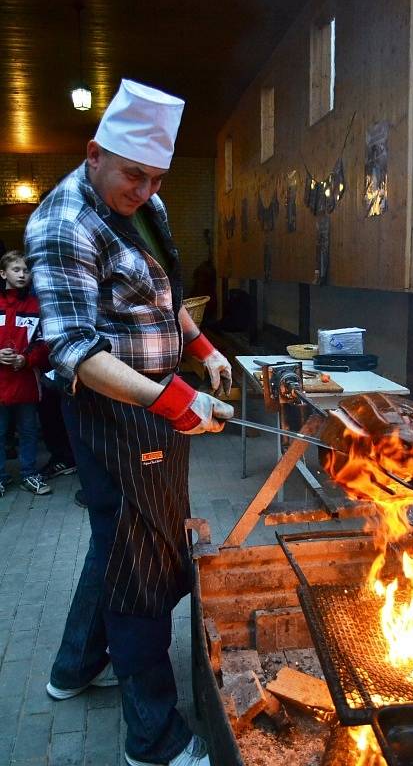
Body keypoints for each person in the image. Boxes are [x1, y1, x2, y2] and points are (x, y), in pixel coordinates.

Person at [25, 79, 234, 766]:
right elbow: (75, 351)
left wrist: (202, 351)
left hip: (157, 403)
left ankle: (74, 666)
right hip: (114, 415)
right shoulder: (63, 224)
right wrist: (176, 402)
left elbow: (164, 298)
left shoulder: (149, 208)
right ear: (94, 153)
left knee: (117, 540)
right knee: (139, 565)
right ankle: (153, 738)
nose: (143, 190)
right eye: (133, 175)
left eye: (155, 179)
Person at [0, 251, 52, 496]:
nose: (22, 275)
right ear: (3, 273)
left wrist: (26, 359)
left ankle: (29, 474)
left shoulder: (36, 306)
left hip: (26, 381)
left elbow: (44, 343)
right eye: (16, 270)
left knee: (29, 431)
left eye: (26, 270)